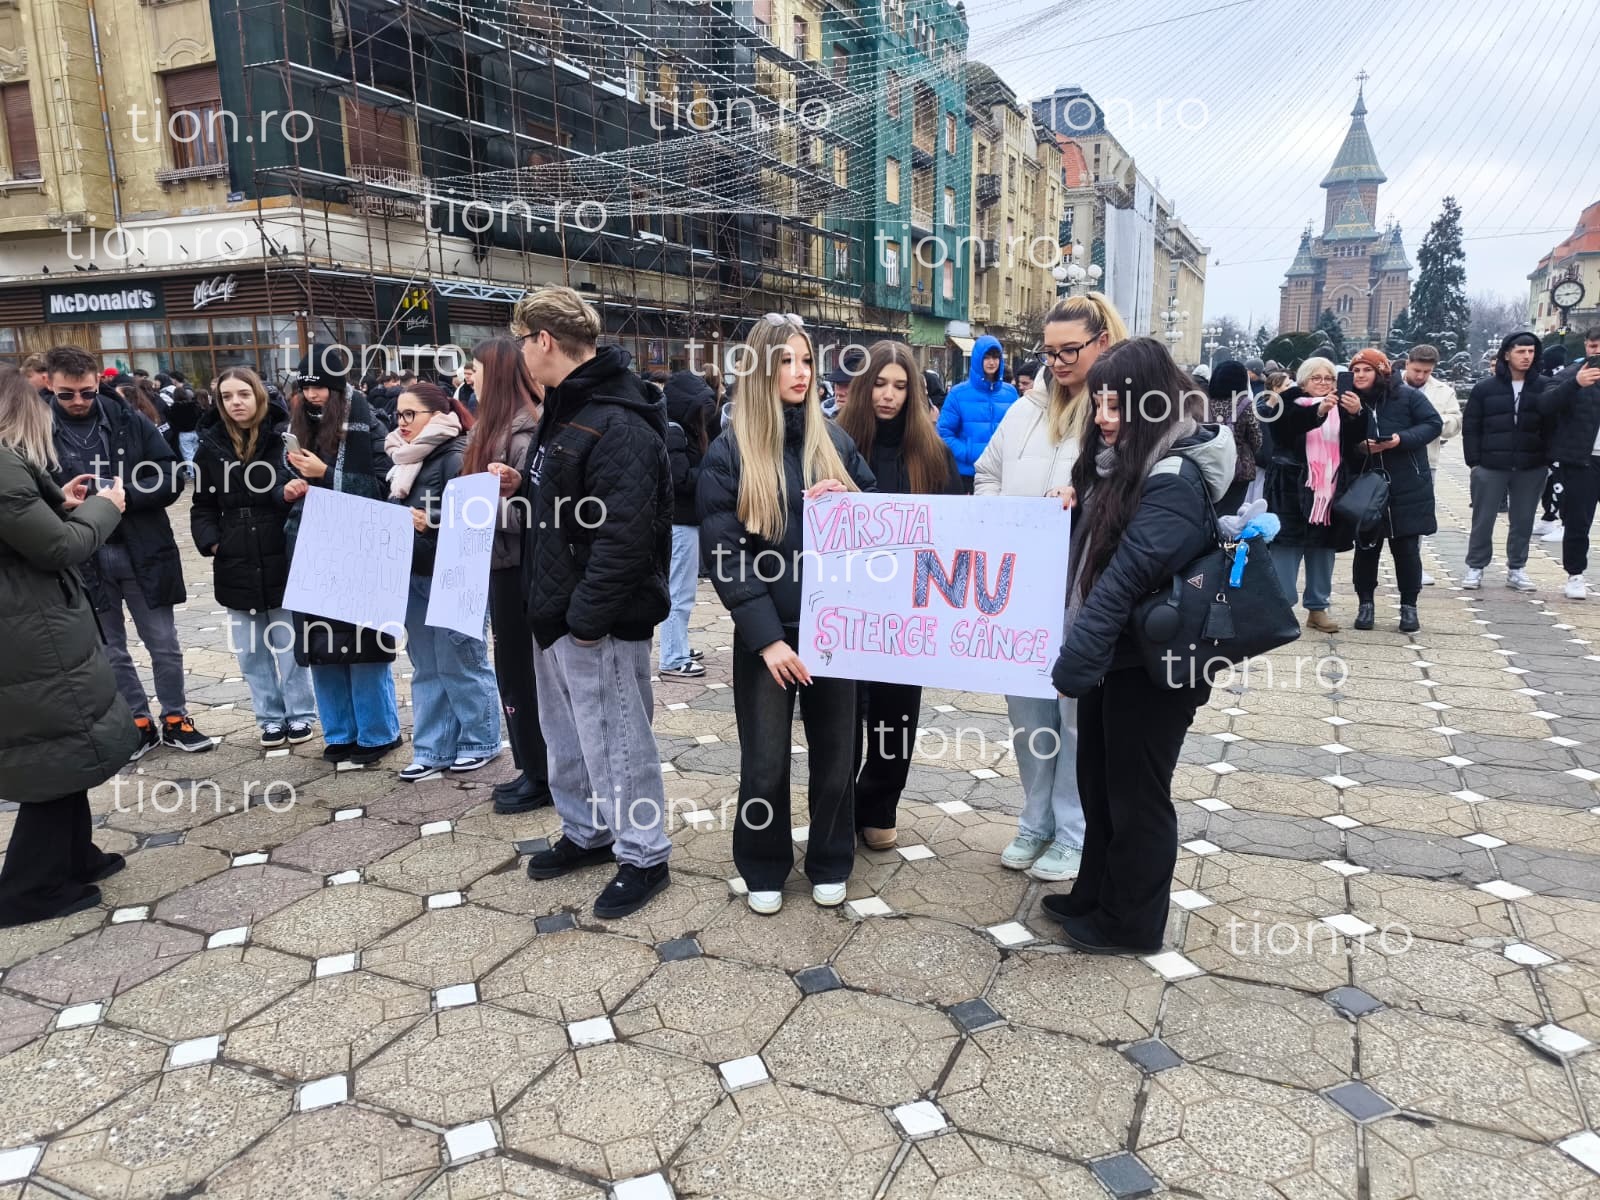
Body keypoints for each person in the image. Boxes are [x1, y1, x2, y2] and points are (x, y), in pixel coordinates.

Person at [1044, 337, 1236, 955]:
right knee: (1100, 781)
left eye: (1116, 406)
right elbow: (1096, 553)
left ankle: (1131, 923)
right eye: (1098, 403)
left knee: (1137, 796)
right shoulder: (1121, 464)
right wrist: (1073, 504)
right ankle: (1094, 892)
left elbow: (1126, 573)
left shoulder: (1173, 478)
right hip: (1119, 658)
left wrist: (1077, 655)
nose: (1102, 417)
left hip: (1156, 668)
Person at [490, 286, 674, 920]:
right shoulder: (567, 409)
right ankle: (589, 832)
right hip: (557, 612)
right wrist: (524, 483)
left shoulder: (616, 419)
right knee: (569, 736)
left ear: (544, 341)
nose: (520, 352)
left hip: (597, 620)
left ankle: (645, 854)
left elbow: (624, 535)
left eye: (523, 340)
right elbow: (573, 502)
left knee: (620, 740)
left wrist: (588, 623)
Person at [698, 313, 875, 914]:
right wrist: (768, 640)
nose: (800, 373)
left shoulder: (836, 441)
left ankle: (830, 859)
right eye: (786, 362)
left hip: (836, 633)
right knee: (765, 761)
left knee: (836, 757)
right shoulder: (730, 451)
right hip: (769, 640)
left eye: (806, 360)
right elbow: (724, 555)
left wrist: (852, 498)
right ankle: (764, 862)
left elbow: (883, 525)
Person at [974, 293, 1127, 882]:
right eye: (1050, 351)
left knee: (1077, 715)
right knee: (1029, 716)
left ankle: (1073, 829)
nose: (1059, 362)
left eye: (1071, 350)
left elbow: (1134, 488)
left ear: (1102, 343)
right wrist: (1002, 517)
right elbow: (986, 474)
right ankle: (1034, 819)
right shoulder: (1026, 409)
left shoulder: (1118, 409)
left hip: (1086, 590)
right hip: (1019, 589)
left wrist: (1080, 501)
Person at [0, 367, 139, 926]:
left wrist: (58, 501)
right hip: (26, 631)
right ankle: (26, 890)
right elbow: (58, 549)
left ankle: (71, 857)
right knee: (53, 752)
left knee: (69, 744)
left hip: (29, 623)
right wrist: (106, 507)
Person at [45, 345, 214, 759]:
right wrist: (61, 500)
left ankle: (176, 717)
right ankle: (137, 720)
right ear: (49, 384)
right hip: (81, 552)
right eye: (67, 394)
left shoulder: (127, 418)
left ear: (97, 383)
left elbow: (172, 472)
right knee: (109, 648)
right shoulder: (34, 429)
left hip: (141, 546)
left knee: (164, 642)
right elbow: (25, 494)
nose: (78, 401)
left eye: (85, 392)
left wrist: (125, 498)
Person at [838, 341, 960, 851]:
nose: (888, 396)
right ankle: (838, 808)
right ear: (864, 388)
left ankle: (880, 805)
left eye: (900, 386)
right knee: (841, 713)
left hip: (908, 612)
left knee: (896, 712)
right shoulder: (832, 445)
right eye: (880, 384)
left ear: (913, 393)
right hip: (845, 606)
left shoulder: (934, 456)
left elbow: (955, 535)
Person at [283, 346, 403, 765]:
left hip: (357, 546)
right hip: (310, 543)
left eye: (321, 387)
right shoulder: (298, 424)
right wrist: (292, 485)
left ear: (337, 389)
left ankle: (377, 732)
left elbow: (383, 488)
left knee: (363, 643)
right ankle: (338, 731)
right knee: (320, 645)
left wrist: (326, 474)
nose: (313, 394)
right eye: (307, 386)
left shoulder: (367, 421)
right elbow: (286, 479)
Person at [190, 367, 317, 747]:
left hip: (279, 547)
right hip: (235, 552)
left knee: (290, 643)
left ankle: (300, 713)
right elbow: (202, 504)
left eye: (243, 394)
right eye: (227, 397)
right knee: (250, 649)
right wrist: (213, 542)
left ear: (258, 395)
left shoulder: (283, 438)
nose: (236, 403)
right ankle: (269, 717)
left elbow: (289, 487)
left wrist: (291, 492)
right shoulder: (208, 448)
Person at [385, 381, 501, 780]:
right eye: (398, 415)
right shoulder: (403, 459)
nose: (401, 423)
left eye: (409, 414)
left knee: (462, 660)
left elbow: (479, 522)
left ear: (437, 415)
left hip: (453, 577)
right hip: (414, 573)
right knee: (427, 665)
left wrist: (431, 522)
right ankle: (433, 748)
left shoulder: (458, 455)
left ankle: (480, 740)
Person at [460, 337, 553, 812]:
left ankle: (542, 772)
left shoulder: (523, 432)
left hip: (518, 567)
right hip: (496, 563)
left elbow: (534, 512)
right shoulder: (488, 428)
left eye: (474, 369)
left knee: (523, 672)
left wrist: (478, 510)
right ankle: (529, 765)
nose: (468, 378)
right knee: (510, 671)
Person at [1263, 358, 1363, 634]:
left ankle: (1318, 608)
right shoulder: (1288, 402)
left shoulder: (1341, 405)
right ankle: (1281, 610)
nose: (1324, 383)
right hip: (1291, 487)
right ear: (1303, 382)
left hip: (1329, 488)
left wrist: (1356, 414)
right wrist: (1318, 411)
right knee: (1286, 549)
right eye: (1316, 378)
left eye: (1329, 378)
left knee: (1323, 550)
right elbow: (1285, 430)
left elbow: (1356, 439)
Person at [1345, 349, 1442, 633]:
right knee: (1366, 548)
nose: (1360, 375)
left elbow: (1433, 424)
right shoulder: (1350, 401)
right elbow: (1341, 440)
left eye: (1366, 370)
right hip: (1367, 484)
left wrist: (1400, 440)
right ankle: (1365, 604)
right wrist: (1359, 442)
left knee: (1407, 550)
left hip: (1406, 483)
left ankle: (1409, 606)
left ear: (1381, 372)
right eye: (1356, 370)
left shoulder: (1407, 395)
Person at [1462, 332, 1548, 591]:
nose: (1526, 357)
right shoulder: (1485, 388)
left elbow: (1554, 423)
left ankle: (1517, 568)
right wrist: (1474, 463)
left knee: (1523, 520)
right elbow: (1471, 426)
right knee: (1483, 519)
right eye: (1521, 351)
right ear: (1507, 354)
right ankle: (1475, 566)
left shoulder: (1544, 386)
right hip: (1490, 465)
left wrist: (1547, 458)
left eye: (1531, 352)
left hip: (1531, 465)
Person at [660, 365, 717, 680]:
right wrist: (710, 475)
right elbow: (680, 479)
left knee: (682, 591)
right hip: (680, 524)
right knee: (679, 592)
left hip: (685, 523)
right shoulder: (674, 431)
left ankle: (678, 646)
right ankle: (672, 656)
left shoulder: (677, 429)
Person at [1539, 327, 1600, 599]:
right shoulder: (1571, 374)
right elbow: (1545, 404)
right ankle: (1575, 574)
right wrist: (1576, 383)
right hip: (1581, 460)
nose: (1596, 352)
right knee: (1577, 520)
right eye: (1592, 346)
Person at [938, 334, 1018, 493]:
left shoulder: (1010, 393)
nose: (991, 362)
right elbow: (943, 434)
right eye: (986, 357)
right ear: (977, 359)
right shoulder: (958, 394)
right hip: (967, 474)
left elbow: (1018, 431)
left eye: (995, 357)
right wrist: (969, 452)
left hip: (1000, 475)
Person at [1206, 360, 1263, 517]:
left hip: (1211, 464)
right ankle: (1226, 541)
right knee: (1230, 513)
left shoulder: (1205, 403)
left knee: (1211, 511)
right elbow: (1256, 437)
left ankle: (1209, 539)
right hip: (1239, 468)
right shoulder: (1245, 404)